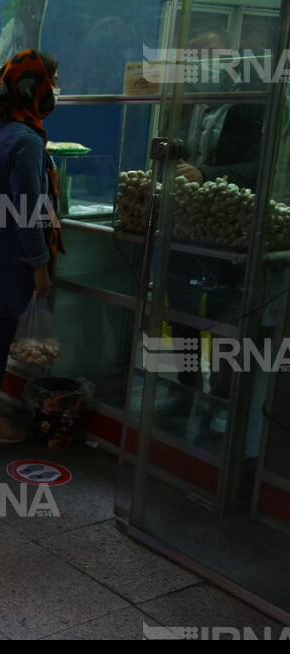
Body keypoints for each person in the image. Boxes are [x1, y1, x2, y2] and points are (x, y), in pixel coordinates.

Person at [166, 27, 264, 434]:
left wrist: (205, 174)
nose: (200, 62)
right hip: (186, 224)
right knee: (181, 309)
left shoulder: (250, 103)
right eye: (193, 55)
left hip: (231, 226)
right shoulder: (189, 104)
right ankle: (187, 387)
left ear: (230, 55)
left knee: (228, 318)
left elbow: (262, 168)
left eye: (208, 52)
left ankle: (223, 399)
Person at [0, 49, 62, 443]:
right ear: (34, 88)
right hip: (9, 255)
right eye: (52, 82)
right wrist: (39, 263)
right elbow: (28, 210)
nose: (54, 90)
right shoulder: (26, 139)